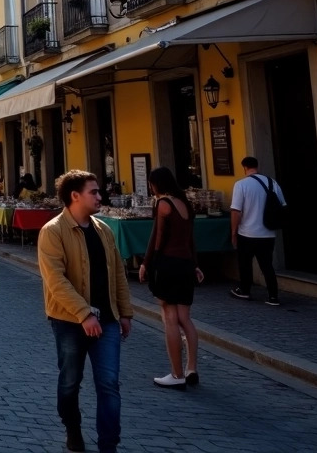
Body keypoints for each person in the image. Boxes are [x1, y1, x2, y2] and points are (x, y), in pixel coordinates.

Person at [38, 171, 133, 453]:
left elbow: (118, 273)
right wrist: (84, 314)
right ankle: (73, 427)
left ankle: (109, 445)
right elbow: (55, 281)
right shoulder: (52, 231)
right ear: (75, 196)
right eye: (94, 192)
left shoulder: (103, 230)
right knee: (70, 382)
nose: (99, 196)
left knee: (109, 385)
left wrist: (125, 312)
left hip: (108, 319)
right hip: (69, 321)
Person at [138, 166, 203, 389]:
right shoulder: (185, 204)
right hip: (185, 264)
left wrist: (148, 263)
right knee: (185, 318)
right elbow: (190, 239)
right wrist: (195, 264)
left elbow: (158, 237)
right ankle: (191, 368)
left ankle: (176, 375)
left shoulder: (163, 204)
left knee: (169, 317)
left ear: (156, 184)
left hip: (167, 263)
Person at [230, 156, 286, 306]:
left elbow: (236, 211)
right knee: (267, 265)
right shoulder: (272, 183)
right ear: (257, 166)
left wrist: (233, 232)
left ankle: (244, 290)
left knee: (245, 263)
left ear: (244, 168)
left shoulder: (241, 185)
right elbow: (282, 205)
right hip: (267, 233)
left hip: (247, 233)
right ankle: (273, 296)